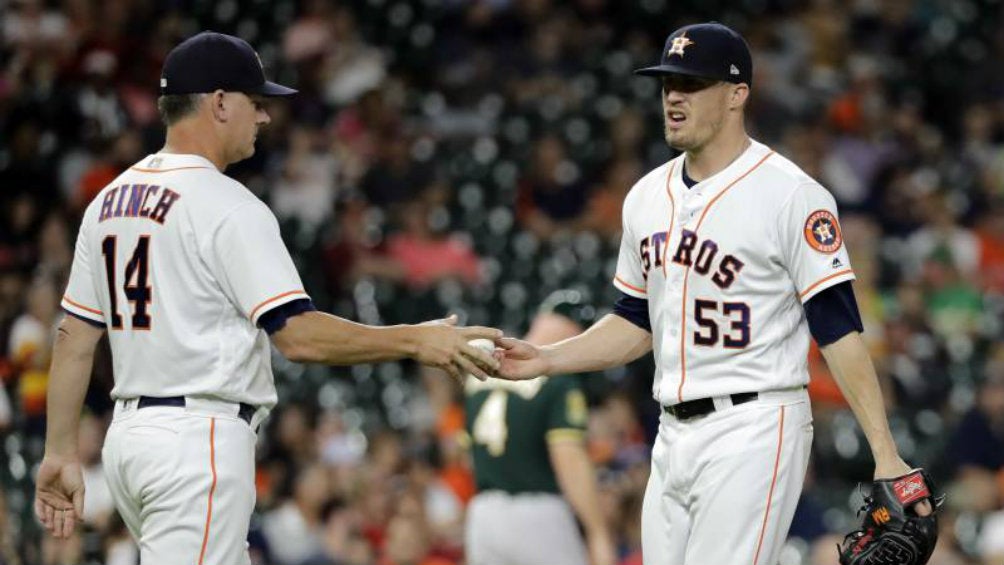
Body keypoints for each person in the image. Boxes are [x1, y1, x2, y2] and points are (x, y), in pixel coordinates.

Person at [33, 31, 501, 565]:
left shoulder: (108, 202)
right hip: (196, 440)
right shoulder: (229, 205)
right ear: (220, 103)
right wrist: (416, 339)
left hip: (131, 440)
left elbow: (73, 338)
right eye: (256, 103)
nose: (265, 117)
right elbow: (299, 337)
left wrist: (58, 451)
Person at [496, 22, 931, 565]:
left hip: (756, 425)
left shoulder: (791, 195)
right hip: (671, 436)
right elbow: (635, 323)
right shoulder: (645, 197)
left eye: (693, 84)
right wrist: (546, 359)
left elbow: (839, 330)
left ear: (736, 95)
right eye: (667, 84)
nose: (674, 96)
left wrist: (886, 454)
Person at [464, 290, 615, 565]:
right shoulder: (557, 381)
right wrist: (597, 531)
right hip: (538, 513)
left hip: (483, 513)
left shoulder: (482, 374)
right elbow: (568, 459)